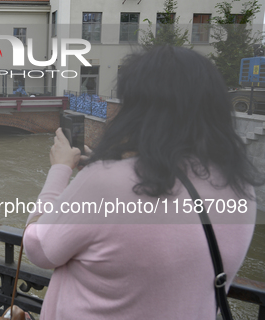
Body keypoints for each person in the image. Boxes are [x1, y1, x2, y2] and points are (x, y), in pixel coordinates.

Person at [23, 46, 260, 320]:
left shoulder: (104, 182)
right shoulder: (241, 188)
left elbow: (38, 248)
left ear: (138, 109)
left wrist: (60, 171)